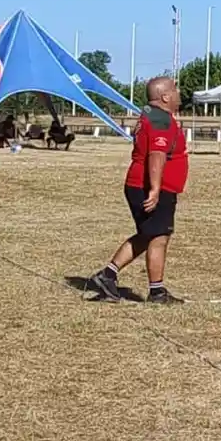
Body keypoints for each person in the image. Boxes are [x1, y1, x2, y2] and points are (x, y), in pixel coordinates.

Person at [86, 76, 189, 304]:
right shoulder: (161, 120)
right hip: (151, 187)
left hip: (138, 184)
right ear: (165, 96)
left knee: (147, 234)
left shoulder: (151, 114)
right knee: (159, 236)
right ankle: (157, 292)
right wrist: (155, 189)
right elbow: (157, 155)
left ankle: (108, 275)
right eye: (174, 89)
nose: (178, 92)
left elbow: (147, 108)